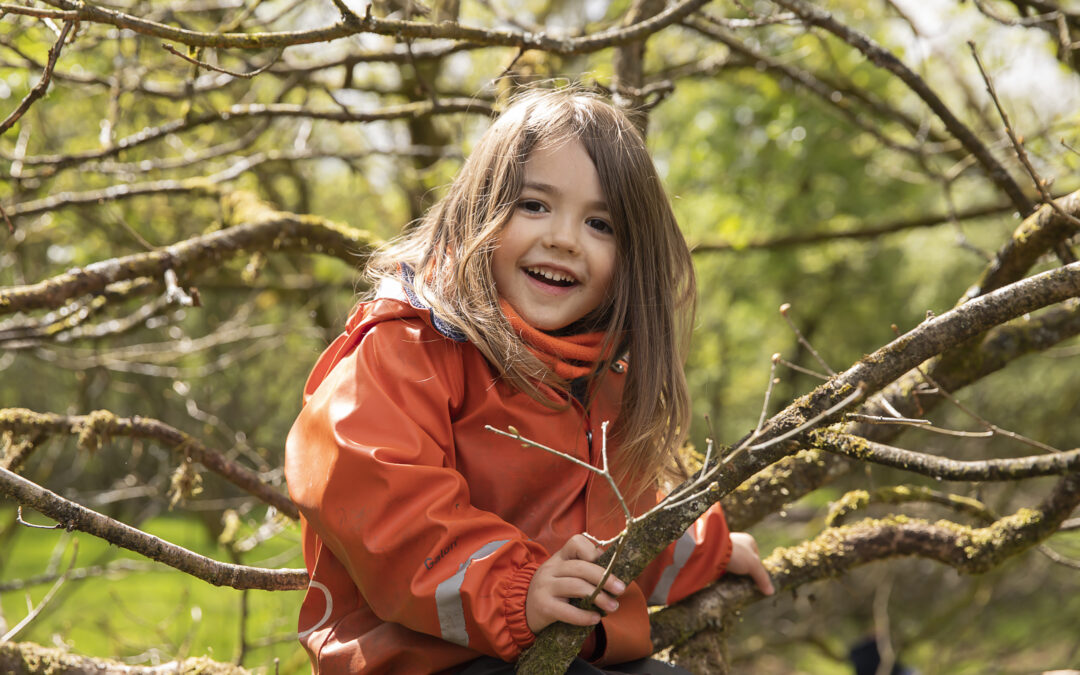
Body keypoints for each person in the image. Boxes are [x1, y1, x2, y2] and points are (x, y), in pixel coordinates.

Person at [284, 87, 774, 675]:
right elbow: (380, 501)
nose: (563, 238)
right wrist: (518, 590)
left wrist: (707, 552)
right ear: (479, 212)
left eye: (599, 223)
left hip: (565, 648)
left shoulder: (599, 376)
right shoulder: (410, 346)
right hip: (420, 658)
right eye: (534, 206)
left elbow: (622, 519)